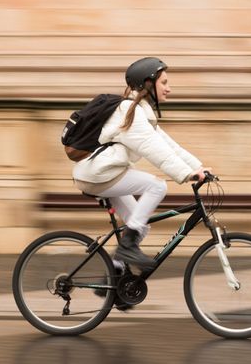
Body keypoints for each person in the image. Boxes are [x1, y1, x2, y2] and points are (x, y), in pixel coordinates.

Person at [72, 57, 211, 270]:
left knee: (140, 227)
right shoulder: (132, 114)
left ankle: (116, 277)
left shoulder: (140, 113)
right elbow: (156, 151)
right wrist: (186, 175)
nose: (169, 89)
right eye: (164, 83)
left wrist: (197, 167)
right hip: (99, 176)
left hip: (104, 174)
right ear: (148, 84)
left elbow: (169, 146)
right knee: (157, 186)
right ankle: (126, 247)